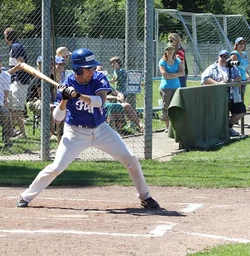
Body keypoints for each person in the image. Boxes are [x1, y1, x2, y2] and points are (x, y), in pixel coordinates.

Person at [16, 48, 160, 210]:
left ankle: (145, 197)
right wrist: (64, 99)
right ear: (78, 69)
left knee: (131, 159)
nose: (92, 70)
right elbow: (57, 118)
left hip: (101, 129)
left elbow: (100, 101)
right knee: (56, 167)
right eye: (88, 68)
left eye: (93, 67)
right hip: (75, 132)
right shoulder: (67, 84)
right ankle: (26, 196)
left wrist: (77, 95)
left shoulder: (99, 78)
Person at [201, 50, 246, 137]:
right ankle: (218, 132)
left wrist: (231, 81)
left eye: (226, 57)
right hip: (218, 95)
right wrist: (219, 83)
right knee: (221, 114)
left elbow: (239, 76)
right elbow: (204, 79)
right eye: (222, 56)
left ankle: (228, 127)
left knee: (241, 111)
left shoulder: (232, 67)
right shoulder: (212, 68)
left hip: (233, 95)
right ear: (218, 57)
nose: (224, 59)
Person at [5, 27, 30, 139]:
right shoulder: (13, 46)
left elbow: (21, 64)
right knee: (11, 106)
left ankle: (22, 133)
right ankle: (12, 130)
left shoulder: (16, 47)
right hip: (14, 80)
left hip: (19, 80)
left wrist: (9, 72)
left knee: (17, 108)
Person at [158, 43, 184, 132]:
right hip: (165, 88)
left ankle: (175, 126)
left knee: (176, 105)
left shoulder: (177, 61)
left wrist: (172, 74)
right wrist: (175, 75)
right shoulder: (162, 62)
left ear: (174, 51)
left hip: (176, 87)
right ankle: (167, 127)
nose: (170, 51)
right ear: (165, 51)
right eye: (168, 49)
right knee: (166, 106)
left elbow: (182, 73)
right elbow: (165, 76)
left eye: (171, 49)